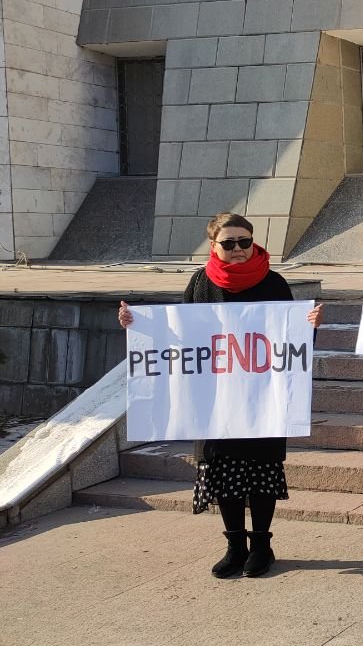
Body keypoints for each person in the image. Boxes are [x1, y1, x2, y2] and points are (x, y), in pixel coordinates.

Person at [118, 212, 324, 579]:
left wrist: (310, 327)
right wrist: (140, 327)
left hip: (261, 397)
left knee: (261, 472)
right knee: (224, 471)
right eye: (229, 243)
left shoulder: (273, 282)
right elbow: (180, 335)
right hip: (214, 398)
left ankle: (261, 546)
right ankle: (235, 546)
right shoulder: (201, 283)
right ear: (213, 246)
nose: (238, 249)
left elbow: (291, 339)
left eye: (245, 241)